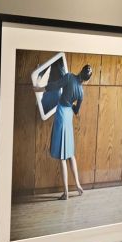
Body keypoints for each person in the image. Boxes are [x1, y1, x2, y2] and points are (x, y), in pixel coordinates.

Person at [37, 63, 93, 199]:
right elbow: (76, 110)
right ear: (87, 80)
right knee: (70, 154)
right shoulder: (81, 92)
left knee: (62, 156)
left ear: (81, 70)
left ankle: (66, 193)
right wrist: (72, 104)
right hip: (68, 116)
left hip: (62, 114)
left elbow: (54, 86)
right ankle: (78, 185)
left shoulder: (69, 77)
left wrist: (39, 89)